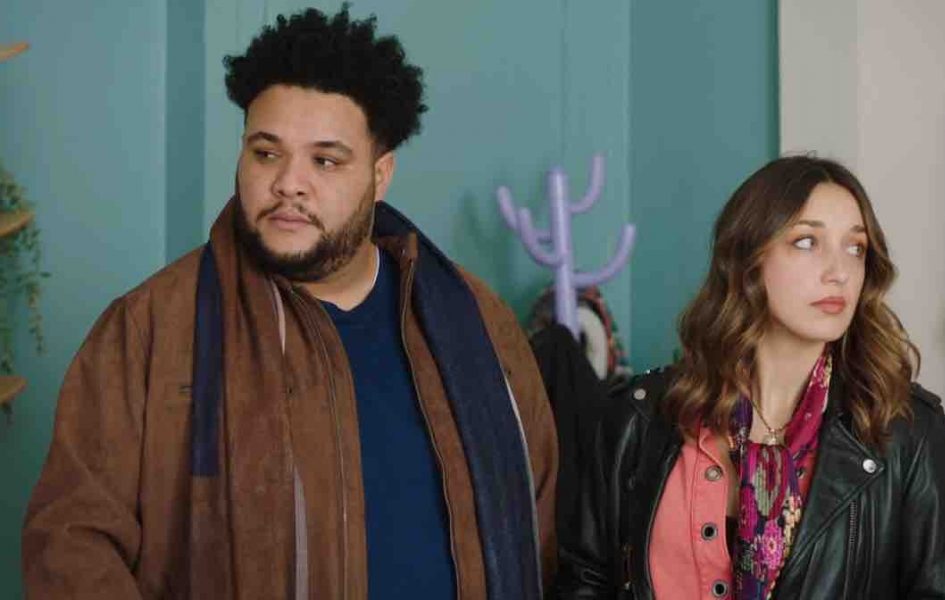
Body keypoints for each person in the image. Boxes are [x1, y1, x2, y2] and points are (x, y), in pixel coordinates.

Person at [23, 7, 556, 599]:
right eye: (266, 153)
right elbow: (70, 547)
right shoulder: (151, 329)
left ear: (380, 175)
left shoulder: (474, 320)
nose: (288, 183)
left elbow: (543, 524)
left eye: (325, 160)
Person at [557, 156, 945, 598]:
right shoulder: (638, 417)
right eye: (807, 242)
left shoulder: (908, 431)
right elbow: (584, 582)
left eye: (855, 248)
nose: (839, 272)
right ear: (748, 259)